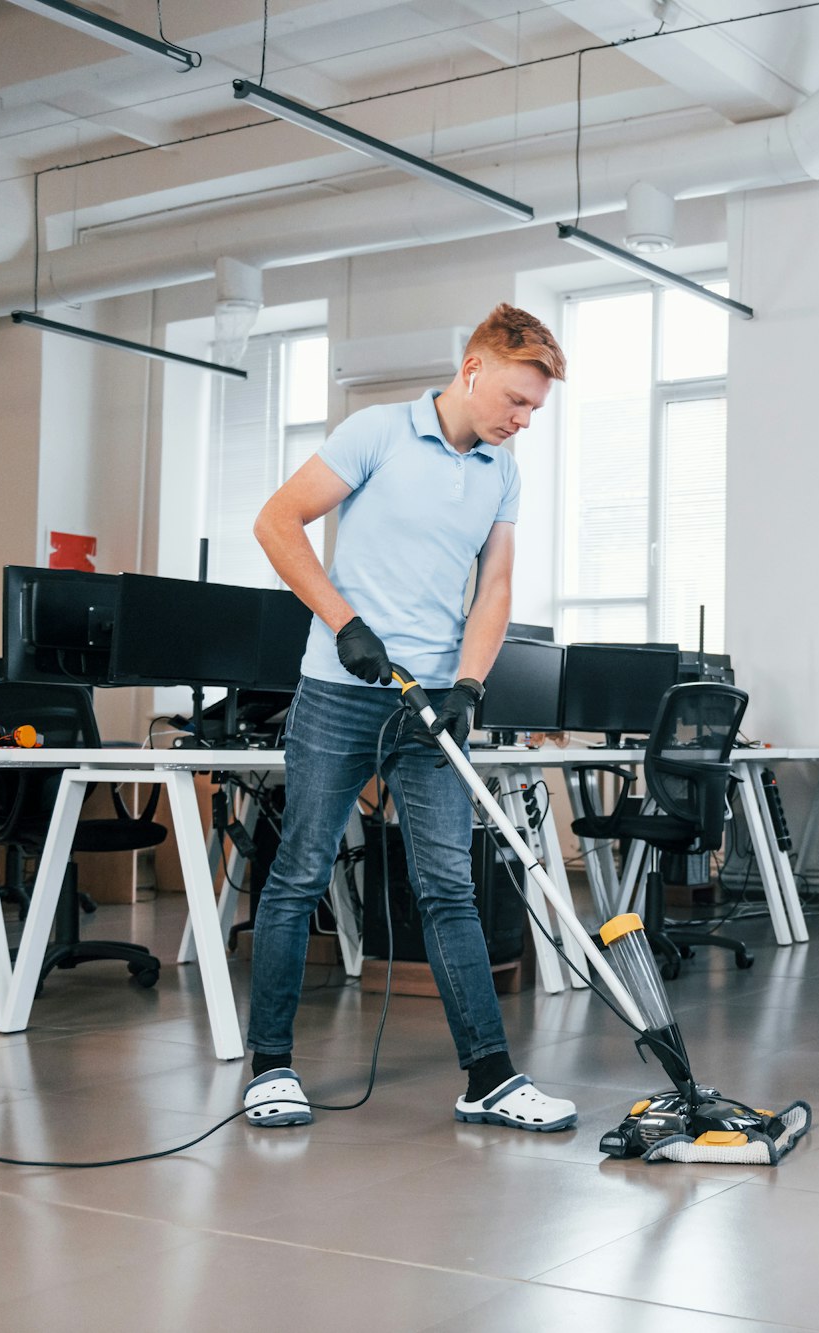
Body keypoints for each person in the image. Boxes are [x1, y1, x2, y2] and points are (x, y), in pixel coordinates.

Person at [241, 304, 578, 1134]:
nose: (522, 421)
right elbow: (276, 522)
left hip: (431, 706)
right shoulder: (377, 432)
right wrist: (343, 621)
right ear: (472, 371)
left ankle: (489, 1078)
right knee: (300, 871)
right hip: (337, 688)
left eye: (535, 409)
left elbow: (495, 587)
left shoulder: (502, 469)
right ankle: (270, 1067)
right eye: (516, 401)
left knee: (449, 887)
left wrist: (469, 684)